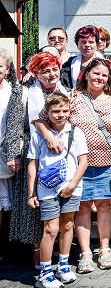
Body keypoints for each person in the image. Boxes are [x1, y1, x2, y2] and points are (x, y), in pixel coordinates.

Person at [34, 58, 111, 273]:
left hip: (107, 163)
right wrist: (48, 137)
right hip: (75, 166)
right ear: (86, 74)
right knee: (83, 207)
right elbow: (40, 118)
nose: (100, 78)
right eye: (96, 73)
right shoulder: (72, 97)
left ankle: (105, 249)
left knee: (105, 205)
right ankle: (86, 252)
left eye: (104, 75)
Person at [9, 52, 68, 268]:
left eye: (54, 69)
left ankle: (57, 250)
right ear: (35, 73)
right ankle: (37, 251)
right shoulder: (23, 92)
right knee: (35, 206)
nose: (51, 74)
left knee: (57, 203)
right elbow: (14, 125)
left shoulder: (66, 92)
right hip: (31, 155)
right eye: (45, 71)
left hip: (61, 157)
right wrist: (14, 155)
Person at [27, 92, 88, 288]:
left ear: (70, 111)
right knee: (50, 228)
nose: (61, 115)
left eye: (64, 111)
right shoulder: (39, 135)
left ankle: (63, 265)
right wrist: (31, 192)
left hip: (71, 187)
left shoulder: (76, 132)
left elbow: (83, 161)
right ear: (47, 112)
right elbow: (33, 164)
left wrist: (72, 185)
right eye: (56, 111)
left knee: (67, 225)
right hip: (47, 188)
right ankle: (45, 273)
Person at [0, 50, 27, 260]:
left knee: (6, 203)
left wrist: (14, 153)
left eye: (0, 65)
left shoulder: (15, 92)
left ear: (7, 69)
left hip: (8, 152)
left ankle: (6, 246)